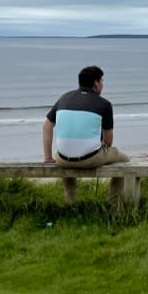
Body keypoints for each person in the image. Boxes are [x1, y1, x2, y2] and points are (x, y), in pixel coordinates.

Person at [43, 65, 129, 200]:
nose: (103, 84)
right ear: (96, 83)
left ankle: (71, 201)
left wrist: (48, 157)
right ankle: (114, 202)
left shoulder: (64, 98)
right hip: (91, 160)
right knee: (124, 159)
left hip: (62, 159)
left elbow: (47, 126)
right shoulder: (104, 104)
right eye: (102, 81)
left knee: (67, 153)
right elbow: (108, 141)